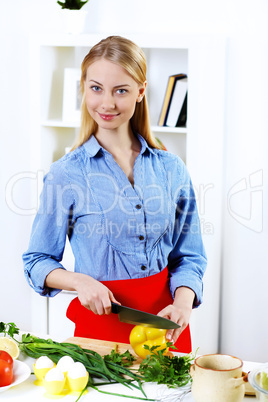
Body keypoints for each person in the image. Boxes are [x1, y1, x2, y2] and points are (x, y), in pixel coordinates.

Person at [23, 36, 206, 353]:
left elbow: (190, 256)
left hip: (166, 330)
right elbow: (36, 261)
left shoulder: (172, 168)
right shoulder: (66, 174)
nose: (106, 103)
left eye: (120, 90)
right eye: (96, 88)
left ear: (141, 91)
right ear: (84, 88)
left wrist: (184, 302)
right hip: (99, 337)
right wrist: (81, 282)